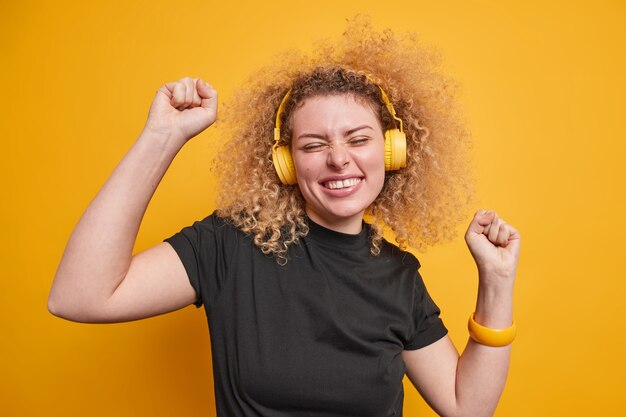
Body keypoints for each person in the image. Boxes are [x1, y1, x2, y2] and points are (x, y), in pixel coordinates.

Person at [48, 19, 520, 417]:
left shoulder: (399, 276)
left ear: (392, 151)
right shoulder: (228, 244)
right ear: (286, 164)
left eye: (358, 139)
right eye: (313, 145)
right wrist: (161, 137)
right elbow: (80, 297)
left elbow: (467, 407)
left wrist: (497, 282)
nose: (339, 159)